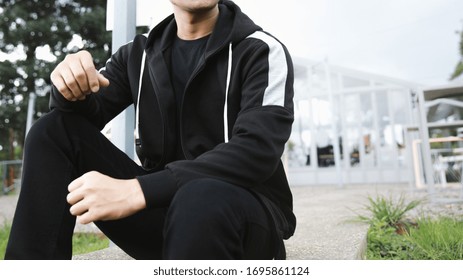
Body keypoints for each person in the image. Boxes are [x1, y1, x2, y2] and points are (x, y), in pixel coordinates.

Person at [5, 0, 296, 260]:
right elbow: (83, 116)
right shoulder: (139, 54)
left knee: (202, 195)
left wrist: (138, 190)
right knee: (52, 131)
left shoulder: (260, 50)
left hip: (241, 223)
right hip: (164, 220)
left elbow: (256, 150)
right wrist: (69, 87)